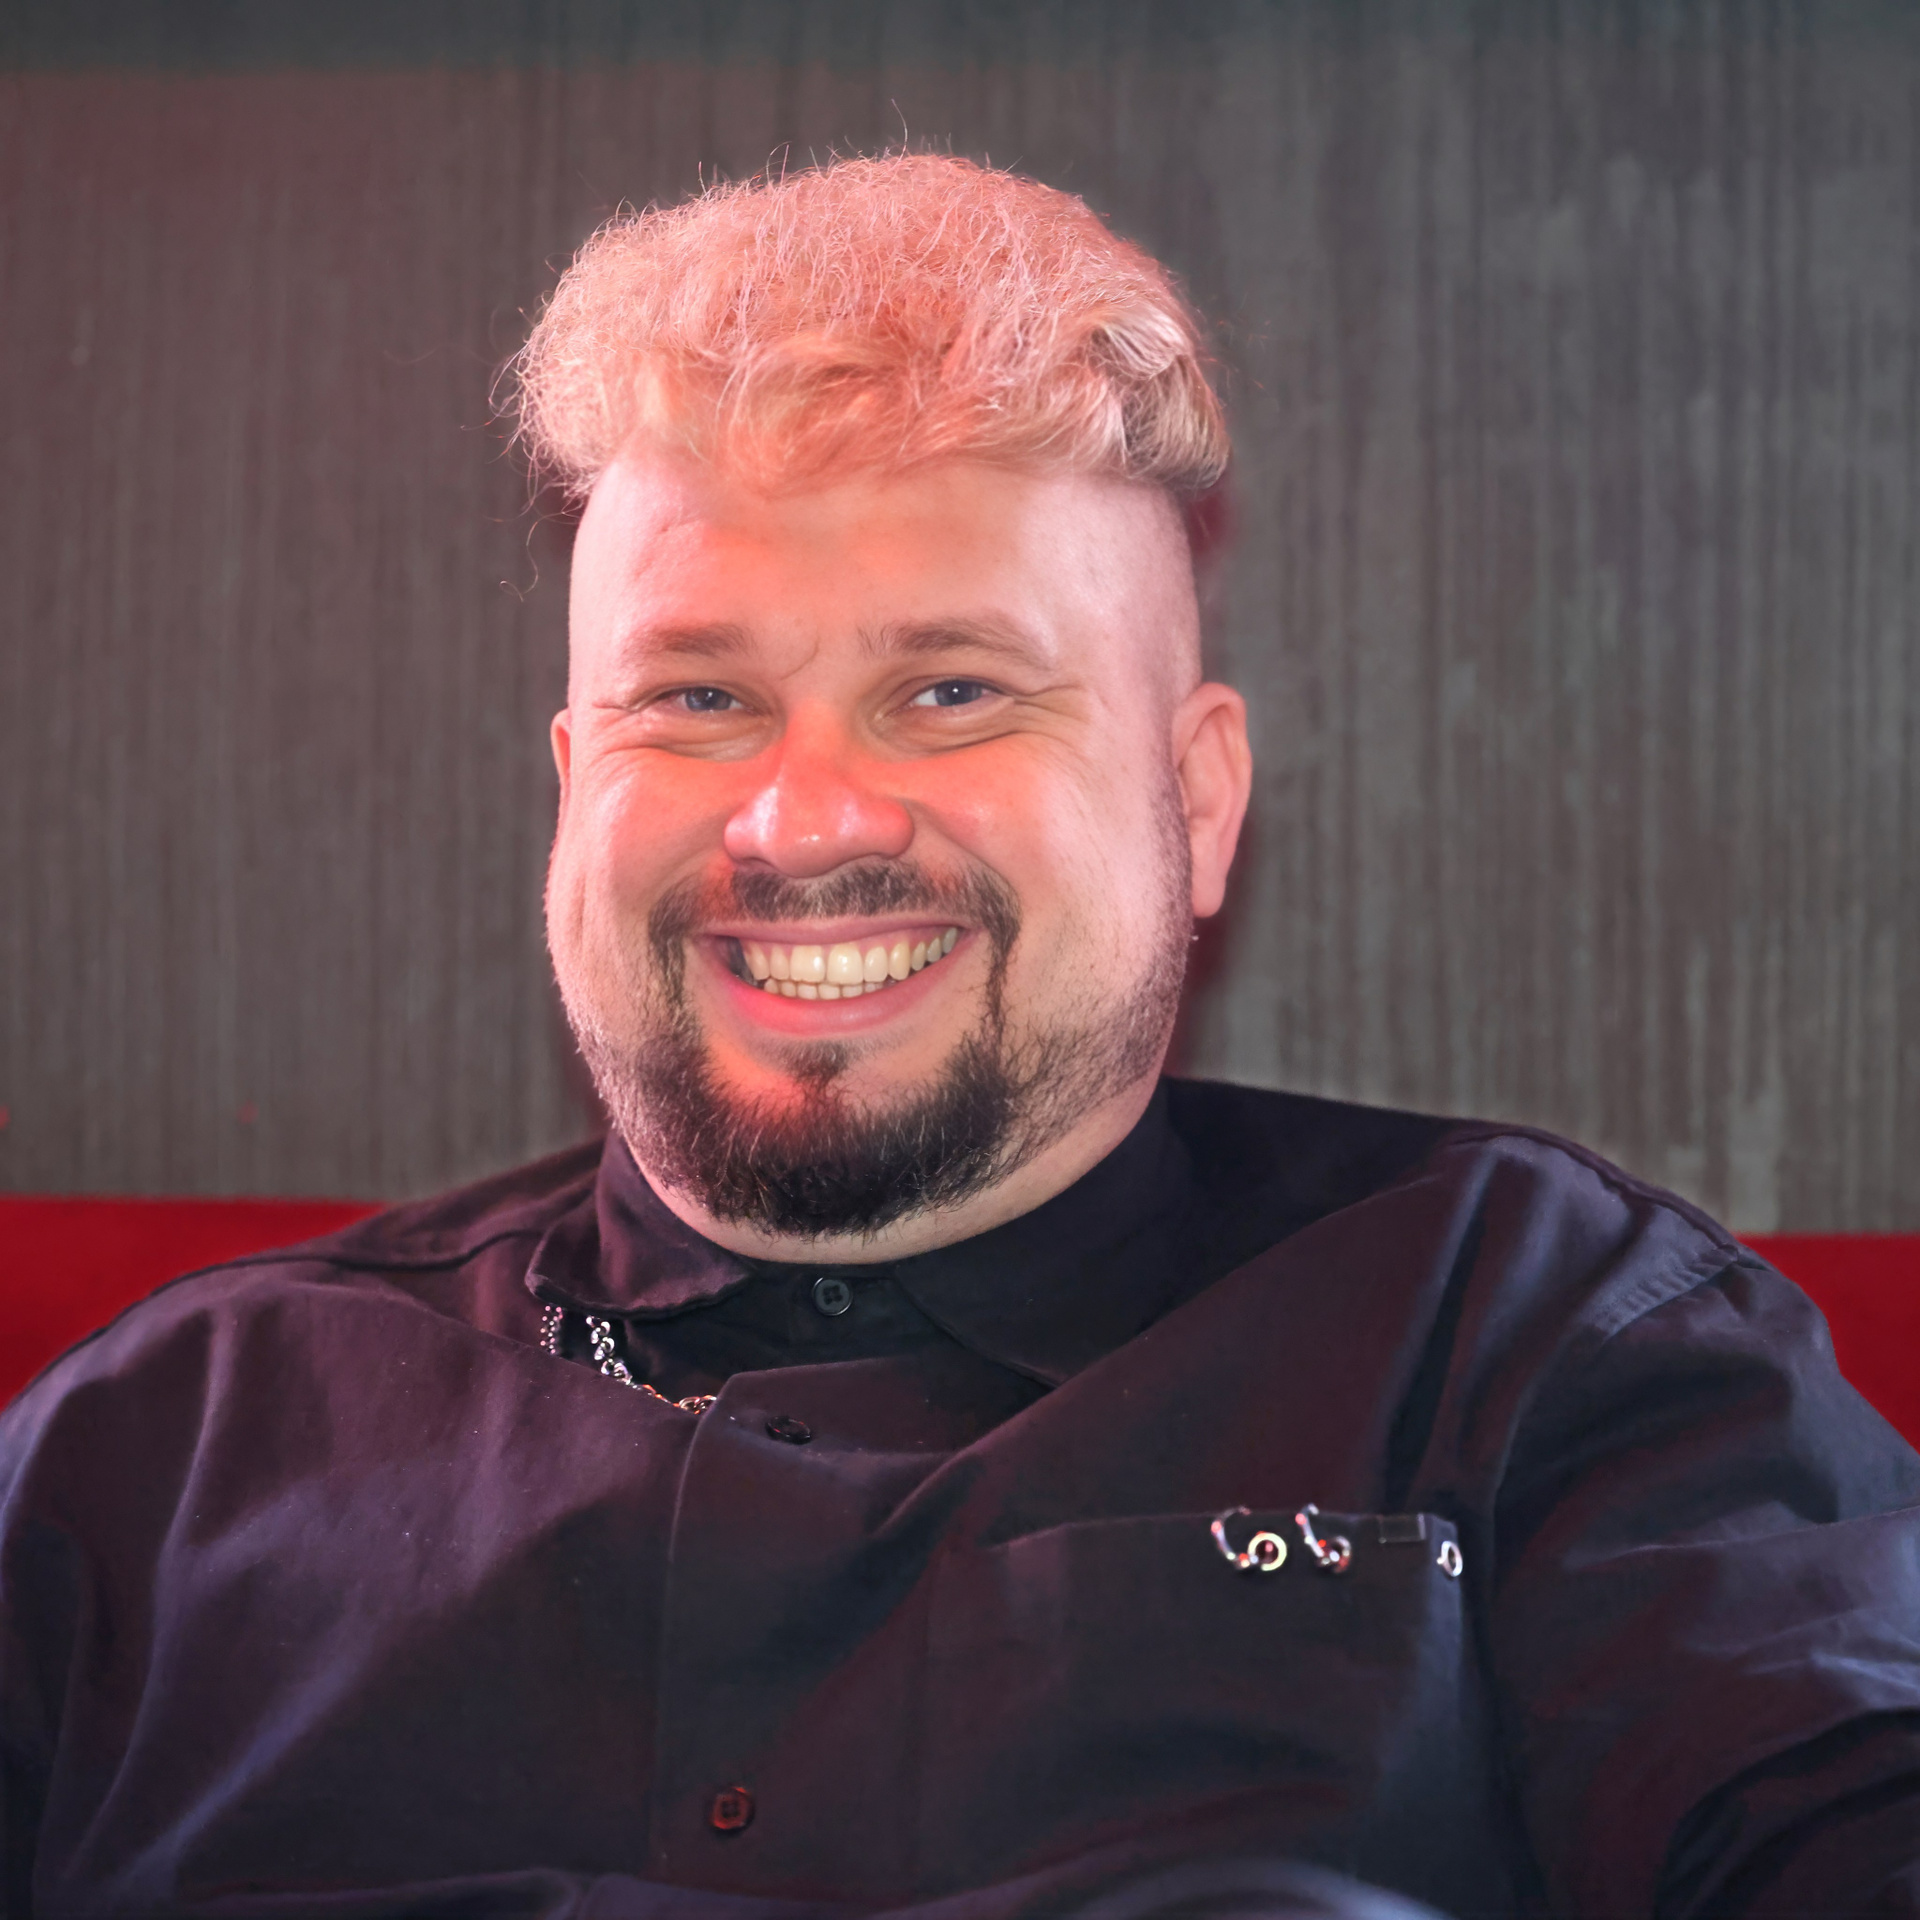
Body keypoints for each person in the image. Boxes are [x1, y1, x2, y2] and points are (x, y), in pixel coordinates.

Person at [2, 154, 1917, 1920]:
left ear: (1198, 801)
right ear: (576, 789)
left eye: (950, 690)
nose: (801, 821)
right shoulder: (160, 1453)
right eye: (698, 699)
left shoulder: (1551, 1349)